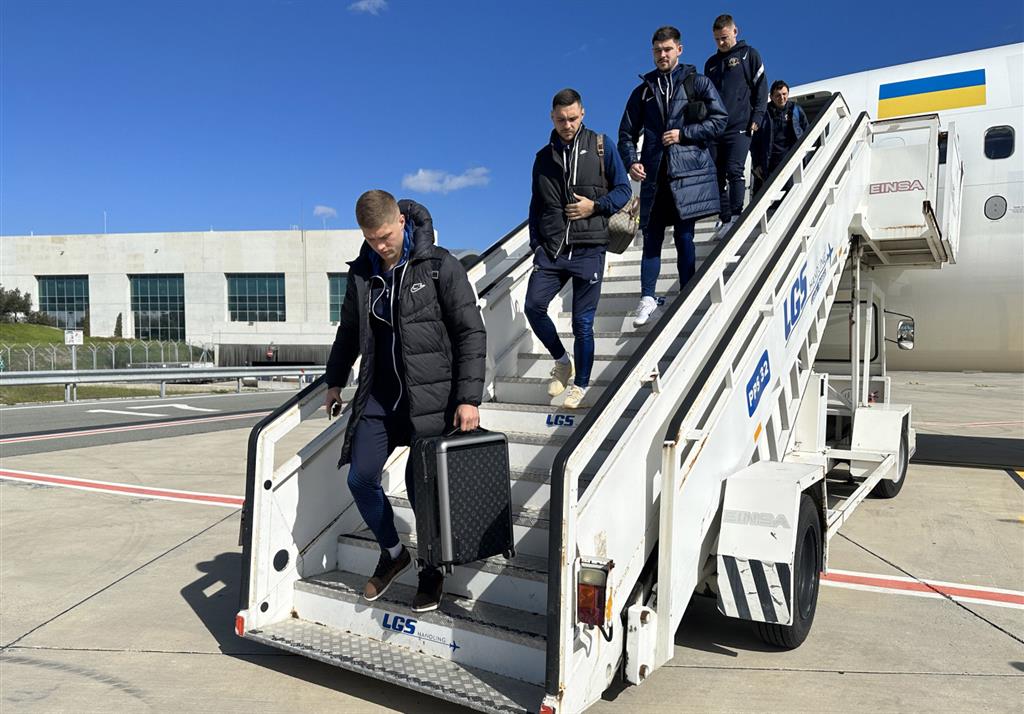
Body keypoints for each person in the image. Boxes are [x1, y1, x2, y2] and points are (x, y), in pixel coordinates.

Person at [324, 190, 486, 613]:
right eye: (371, 239)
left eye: (385, 236)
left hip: (430, 398)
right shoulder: (363, 273)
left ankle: (432, 570)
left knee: (422, 489)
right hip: (380, 397)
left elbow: (470, 332)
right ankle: (394, 553)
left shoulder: (438, 265)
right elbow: (348, 331)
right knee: (360, 478)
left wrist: (468, 398)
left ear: (401, 220)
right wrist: (334, 380)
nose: (380, 246)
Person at [527, 88, 631, 409]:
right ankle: (562, 361)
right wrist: (536, 244)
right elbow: (535, 206)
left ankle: (581, 386)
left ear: (582, 113)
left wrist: (595, 206)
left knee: (582, 324)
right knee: (533, 306)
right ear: (552, 117)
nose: (567, 125)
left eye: (572, 118)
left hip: (589, 247)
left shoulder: (601, 145)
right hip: (553, 249)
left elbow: (624, 190)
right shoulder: (542, 158)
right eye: (561, 119)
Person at [619, 25, 728, 327]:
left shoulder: (697, 82)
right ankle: (647, 297)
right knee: (651, 237)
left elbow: (720, 120)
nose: (662, 55)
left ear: (679, 50)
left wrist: (684, 134)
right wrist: (631, 162)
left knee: (684, 236)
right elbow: (626, 133)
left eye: (667, 49)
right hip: (654, 175)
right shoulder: (643, 91)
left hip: (686, 173)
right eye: (657, 50)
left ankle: (687, 293)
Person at [704, 13, 768, 227]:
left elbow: (761, 88)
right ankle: (724, 218)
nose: (721, 43)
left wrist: (757, 115)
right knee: (716, 174)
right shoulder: (711, 64)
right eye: (717, 39)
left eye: (724, 38)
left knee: (734, 169)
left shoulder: (749, 55)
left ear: (735, 31)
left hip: (740, 125)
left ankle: (735, 215)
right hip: (715, 128)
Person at [751, 80, 810, 193]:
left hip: (791, 160)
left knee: (791, 193)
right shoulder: (764, 113)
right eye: (778, 95)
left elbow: (807, 132)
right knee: (771, 194)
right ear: (771, 97)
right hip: (770, 163)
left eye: (784, 94)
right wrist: (756, 164)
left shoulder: (796, 110)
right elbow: (755, 142)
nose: (782, 98)